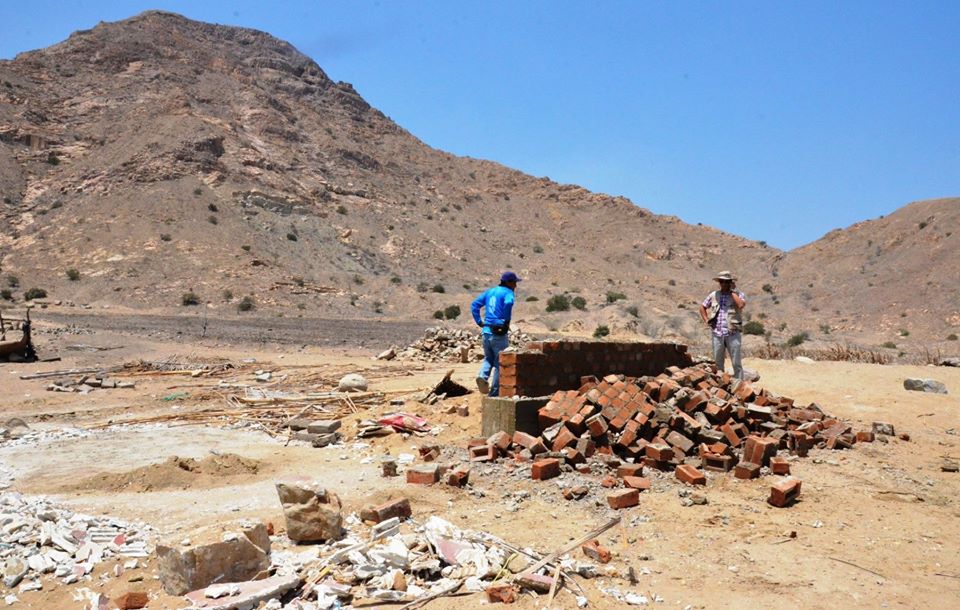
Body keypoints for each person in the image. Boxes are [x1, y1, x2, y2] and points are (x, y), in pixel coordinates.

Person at [471, 271, 520, 396]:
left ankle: (482, 376)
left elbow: (474, 305)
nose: (516, 285)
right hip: (498, 331)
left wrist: (479, 321)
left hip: (486, 331)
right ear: (509, 283)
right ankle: (495, 392)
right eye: (514, 282)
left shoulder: (490, 292)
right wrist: (506, 321)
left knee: (488, 358)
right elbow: (509, 303)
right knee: (500, 362)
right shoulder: (508, 292)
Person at [699, 271, 746, 380]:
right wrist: (706, 320)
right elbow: (702, 307)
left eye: (727, 282)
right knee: (719, 364)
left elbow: (741, 305)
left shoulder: (738, 295)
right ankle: (721, 386)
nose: (724, 284)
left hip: (733, 333)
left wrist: (732, 292)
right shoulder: (714, 295)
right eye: (722, 281)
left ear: (731, 282)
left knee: (736, 364)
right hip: (717, 334)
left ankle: (740, 386)